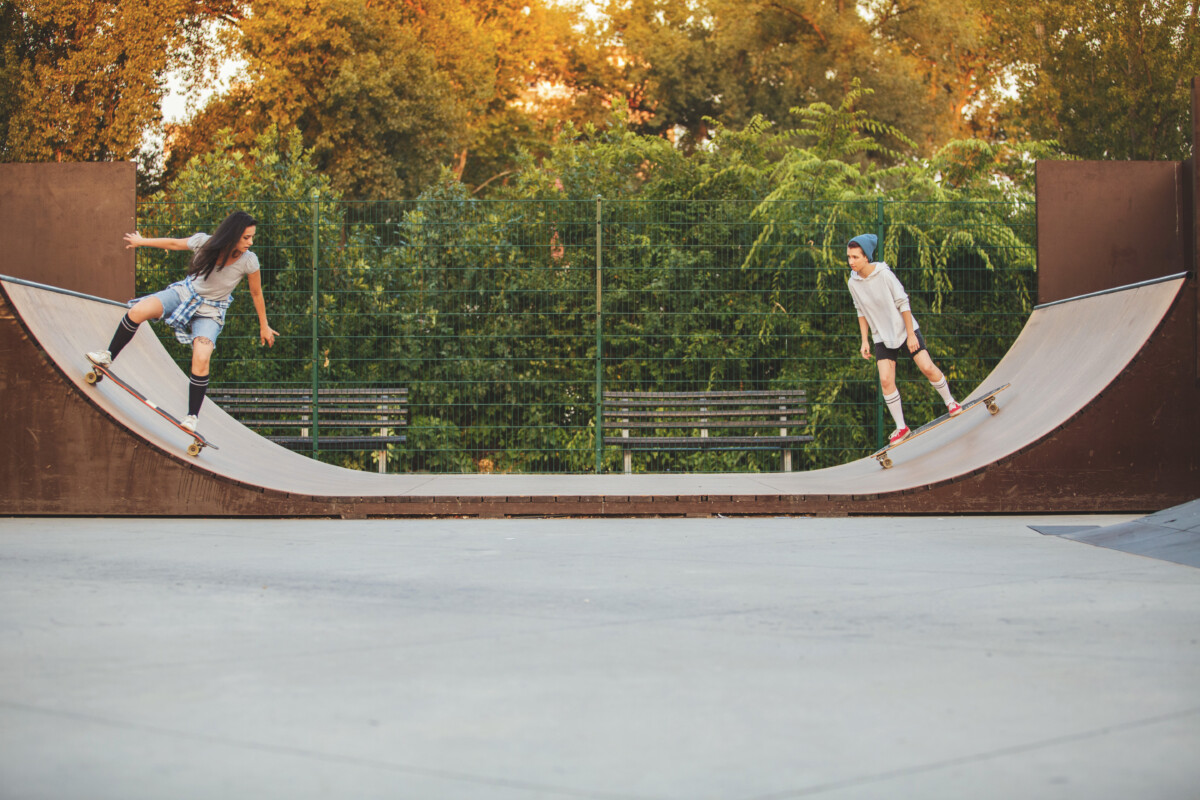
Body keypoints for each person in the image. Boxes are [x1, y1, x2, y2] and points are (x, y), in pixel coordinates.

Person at [86, 210, 279, 433]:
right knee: (139, 311)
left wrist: (264, 325)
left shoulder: (249, 261)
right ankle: (108, 355)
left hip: (211, 311)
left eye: (252, 237)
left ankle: (191, 417)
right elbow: (174, 243)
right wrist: (142, 241)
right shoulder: (204, 243)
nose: (251, 242)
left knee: (202, 356)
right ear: (232, 234)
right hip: (184, 294)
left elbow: (256, 293)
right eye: (246, 237)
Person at [845, 233, 961, 445]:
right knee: (886, 381)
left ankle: (951, 402)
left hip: (903, 329)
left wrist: (910, 334)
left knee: (926, 367)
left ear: (866, 257)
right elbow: (860, 311)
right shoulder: (853, 283)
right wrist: (864, 340)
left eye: (854, 257)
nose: (850, 261)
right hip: (881, 335)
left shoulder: (884, 275)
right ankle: (901, 427)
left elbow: (903, 302)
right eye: (849, 257)